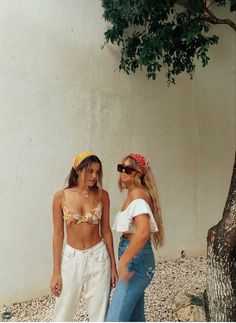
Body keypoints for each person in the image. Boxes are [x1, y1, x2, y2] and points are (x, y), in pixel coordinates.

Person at [50, 151, 118, 322]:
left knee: (99, 314)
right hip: (71, 258)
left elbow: (106, 231)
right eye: (90, 171)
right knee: (63, 313)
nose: (94, 176)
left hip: (98, 256)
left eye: (97, 172)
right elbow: (58, 235)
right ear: (77, 170)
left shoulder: (103, 195)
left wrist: (113, 266)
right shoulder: (61, 196)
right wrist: (56, 271)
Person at [105, 153, 164, 322]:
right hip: (136, 259)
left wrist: (123, 262)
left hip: (135, 262)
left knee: (115, 319)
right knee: (134, 318)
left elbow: (143, 231)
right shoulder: (133, 193)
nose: (123, 172)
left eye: (128, 169)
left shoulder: (137, 195)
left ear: (139, 172)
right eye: (121, 168)